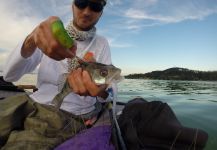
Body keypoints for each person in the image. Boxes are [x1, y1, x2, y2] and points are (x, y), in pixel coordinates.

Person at [0, 0, 117, 149]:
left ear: (101, 12)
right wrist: (32, 39)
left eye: (95, 6)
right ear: (72, 5)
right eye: (81, 2)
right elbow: (10, 76)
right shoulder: (48, 34)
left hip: (66, 114)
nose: (87, 11)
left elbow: (107, 87)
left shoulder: (102, 43)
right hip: (30, 100)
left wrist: (101, 91)